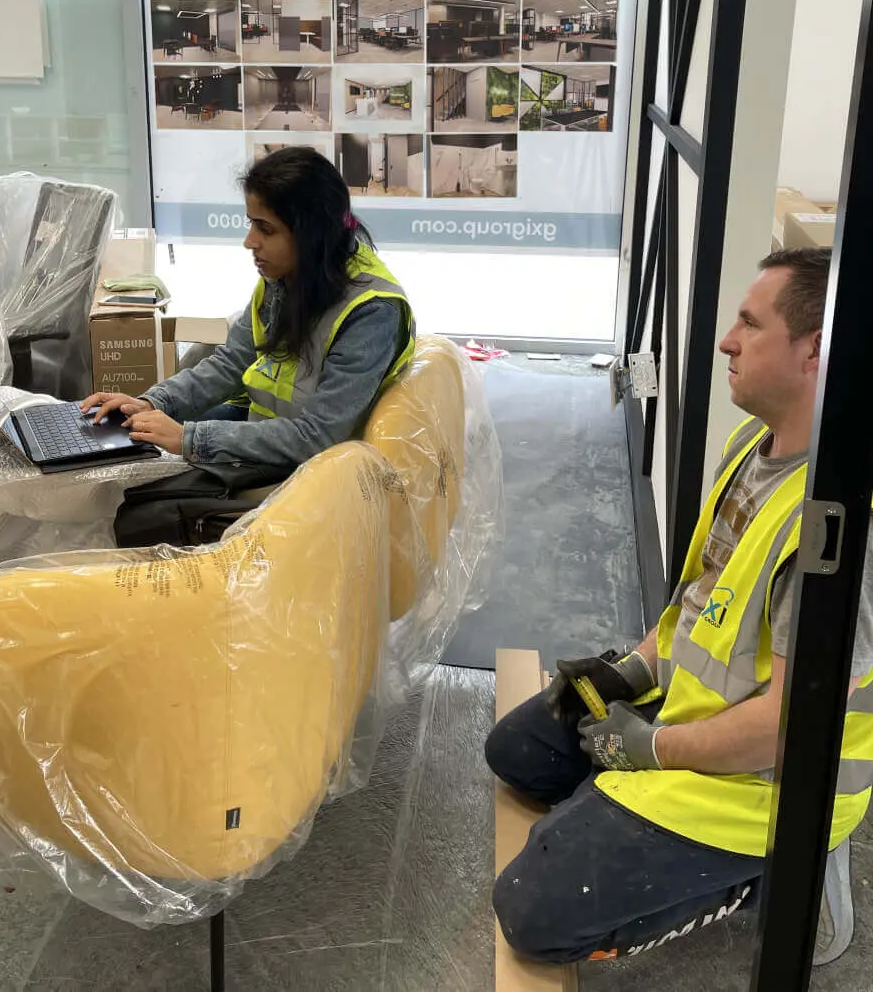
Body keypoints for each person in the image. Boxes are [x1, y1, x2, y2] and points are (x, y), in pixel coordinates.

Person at [485, 247, 873, 967]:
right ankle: (622, 803)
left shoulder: (840, 526)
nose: (727, 340)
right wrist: (629, 674)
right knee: (517, 752)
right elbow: (700, 610)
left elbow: (787, 729)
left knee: (533, 912)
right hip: (691, 710)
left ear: (813, 351)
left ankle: (759, 882)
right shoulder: (753, 447)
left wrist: (651, 751)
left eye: (749, 326)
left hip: (763, 783)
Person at [81, 147, 415, 488]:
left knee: (142, 503)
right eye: (251, 223)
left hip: (316, 473)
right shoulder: (291, 273)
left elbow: (318, 436)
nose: (249, 242)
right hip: (267, 434)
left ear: (312, 234)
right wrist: (151, 401)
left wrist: (191, 438)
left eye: (266, 229)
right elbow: (232, 361)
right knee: (134, 452)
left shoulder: (372, 312)